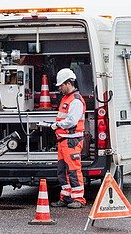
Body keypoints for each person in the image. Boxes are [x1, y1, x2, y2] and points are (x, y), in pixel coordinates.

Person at [50, 68, 87, 209]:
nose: (59, 88)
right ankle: (66, 197)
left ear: (69, 83)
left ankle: (78, 199)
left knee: (73, 170)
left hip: (71, 140)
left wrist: (57, 125)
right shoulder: (66, 98)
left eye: (61, 85)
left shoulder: (76, 100)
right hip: (63, 140)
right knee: (62, 171)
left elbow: (72, 121)